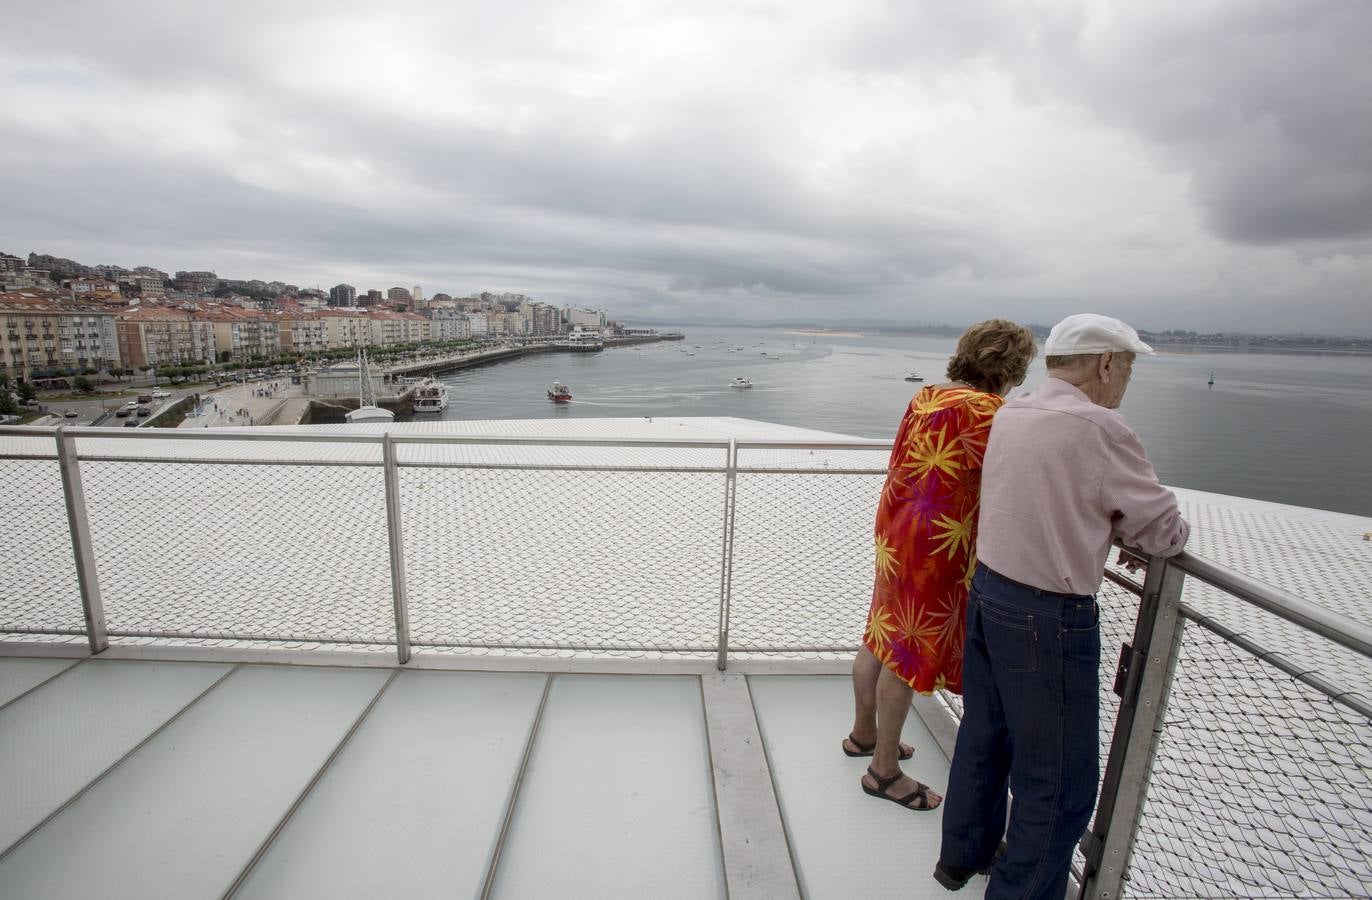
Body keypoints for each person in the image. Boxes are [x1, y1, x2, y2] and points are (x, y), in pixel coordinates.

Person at [935, 314, 1189, 897]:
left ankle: (961, 856)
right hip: (1048, 617)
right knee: (1060, 786)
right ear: (1105, 363)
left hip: (989, 594)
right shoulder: (1101, 427)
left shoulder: (1015, 411)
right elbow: (1165, 532)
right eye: (1126, 365)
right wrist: (1127, 534)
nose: (1126, 379)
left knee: (985, 735)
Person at [846, 319, 1038, 811]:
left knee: (881, 632)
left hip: (898, 528)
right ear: (1010, 366)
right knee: (909, 653)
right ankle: (883, 771)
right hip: (939, 547)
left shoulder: (929, 396)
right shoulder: (989, 413)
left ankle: (864, 733)